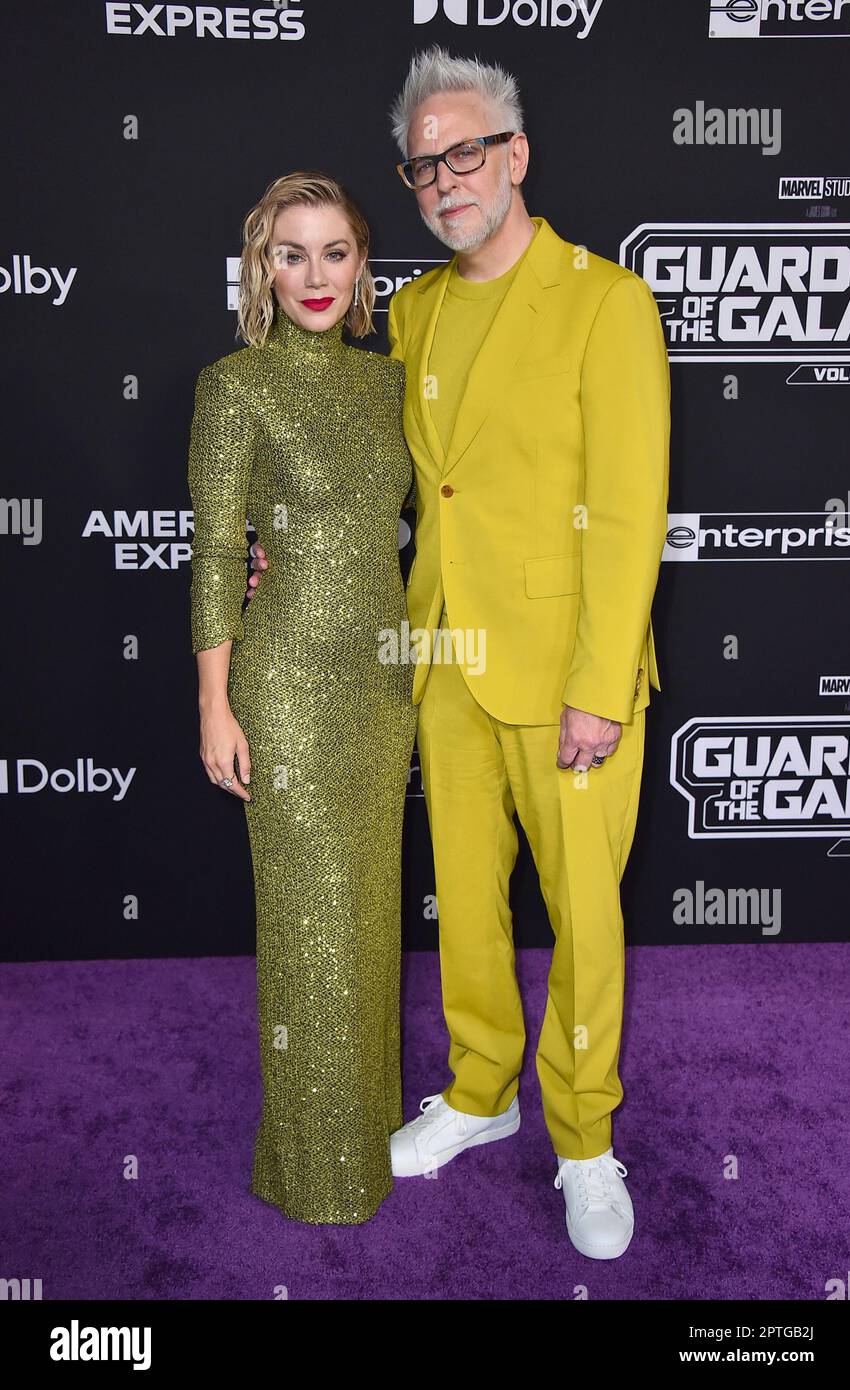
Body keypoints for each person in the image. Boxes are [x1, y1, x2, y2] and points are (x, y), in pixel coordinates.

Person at [249, 46, 671, 1260]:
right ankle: (482, 1093)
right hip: (436, 655)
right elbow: (379, 483)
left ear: (516, 154)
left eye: (466, 151)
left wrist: (602, 685)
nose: (445, 177)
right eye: (424, 162)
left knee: (584, 912)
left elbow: (632, 512)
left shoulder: (606, 300)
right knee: (467, 909)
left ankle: (585, 1136)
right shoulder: (417, 310)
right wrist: (281, 555)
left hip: (567, 671)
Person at [187, 172, 416, 1224]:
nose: (314, 275)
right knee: (310, 920)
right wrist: (214, 705)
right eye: (292, 253)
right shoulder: (235, 385)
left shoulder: (388, 384)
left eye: (335, 252)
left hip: (382, 688)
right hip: (282, 690)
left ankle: (367, 1130)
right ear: (260, 268)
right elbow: (215, 552)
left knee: (366, 920)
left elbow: (419, 517)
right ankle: (315, 1170)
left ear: (363, 266)